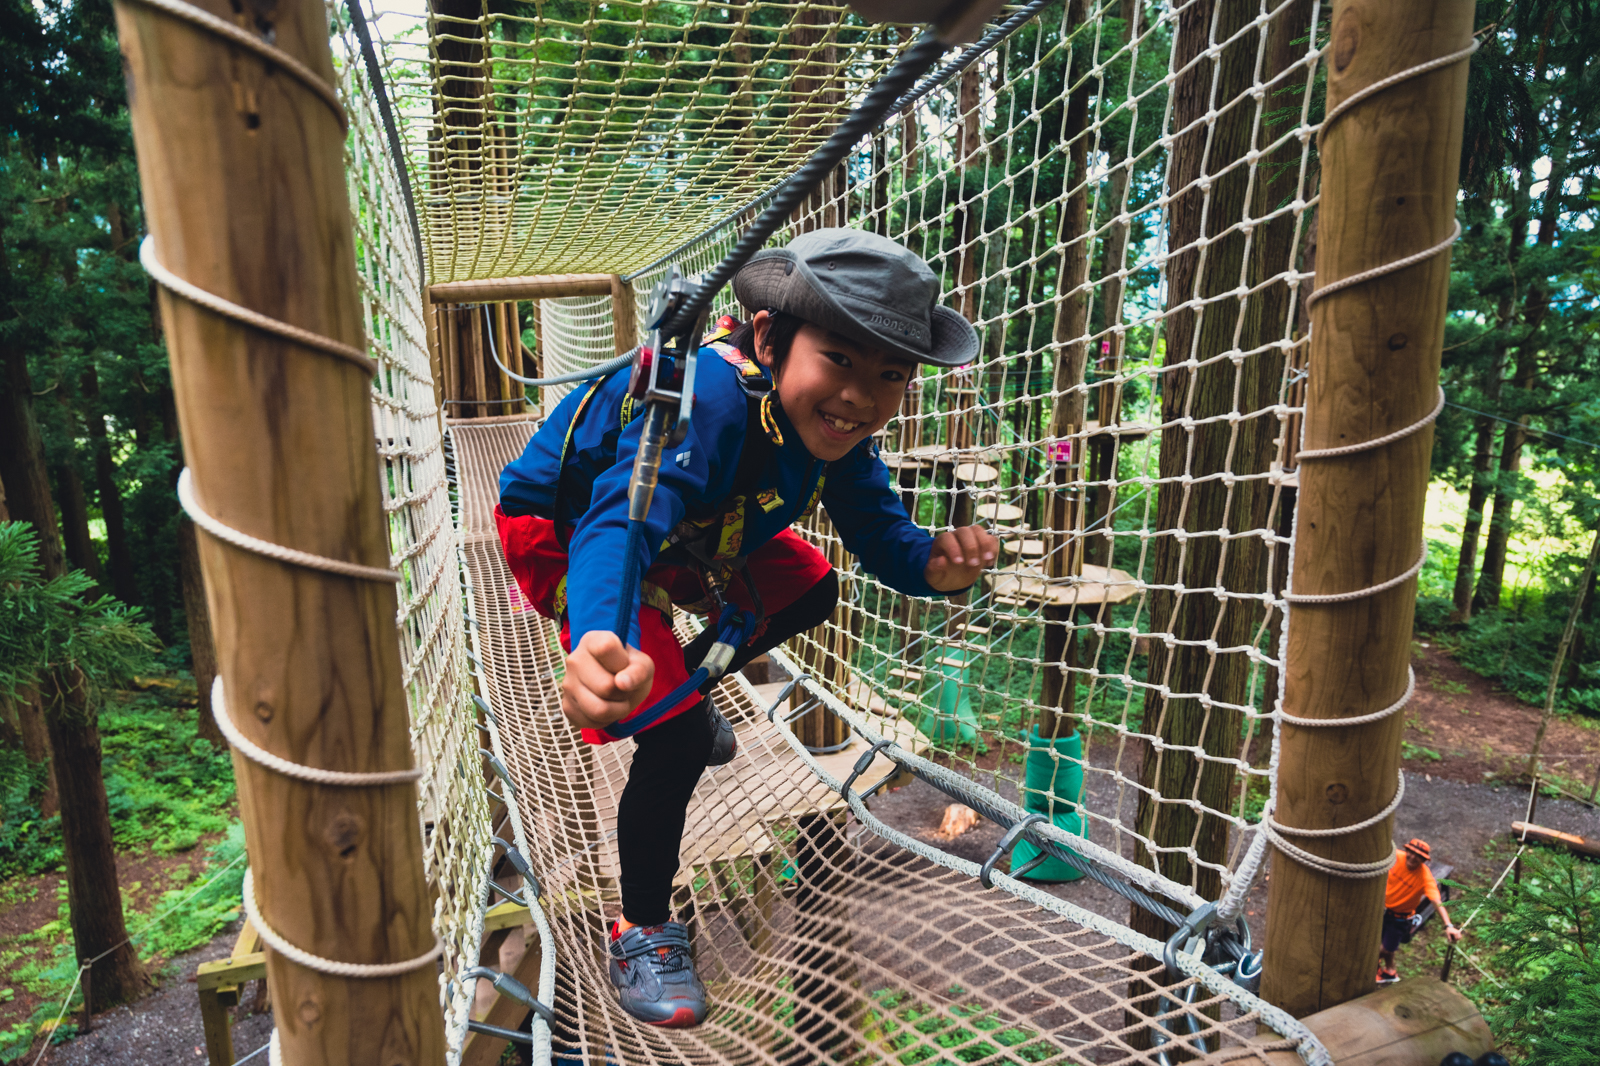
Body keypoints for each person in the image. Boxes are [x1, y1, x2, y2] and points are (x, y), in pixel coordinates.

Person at [495, 228, 1000, 1028]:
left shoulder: (839, 435)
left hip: (697, 527)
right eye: (839, 359)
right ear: (768, 338)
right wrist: (601, 634)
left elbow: (878, 529)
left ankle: (687, 690)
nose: (863, 398)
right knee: (678, 744)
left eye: (892, 375)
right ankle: (643, 929)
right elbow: (617, 525)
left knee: (809, 587)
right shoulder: (712, 401)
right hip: (569, 529)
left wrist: (928, 565)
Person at [1377, 838, 1462, 983]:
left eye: (1419, 856)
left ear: (1424, 860)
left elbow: (1436, 901)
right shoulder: (1395, 857)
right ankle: (1390, 971)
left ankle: (1371, 967)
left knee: (1383, 949)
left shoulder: (1425, 877)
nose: (1413, 857)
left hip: (1400, 918)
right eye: (1411, 852)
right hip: (1382, 911)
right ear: (1407, 851)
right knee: (1386, 946)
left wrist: (1449, 926)